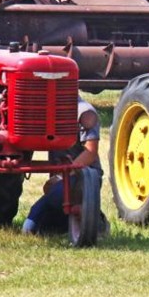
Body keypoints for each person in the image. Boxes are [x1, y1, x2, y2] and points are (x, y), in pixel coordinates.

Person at [22, 97, 109, 239]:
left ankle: (95, 219)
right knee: (34, 226)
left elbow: (90, 152)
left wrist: (62, 176)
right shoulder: (44, 108)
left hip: (82, 176)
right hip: (59, 181)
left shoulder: (84, 112)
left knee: (54, 198)